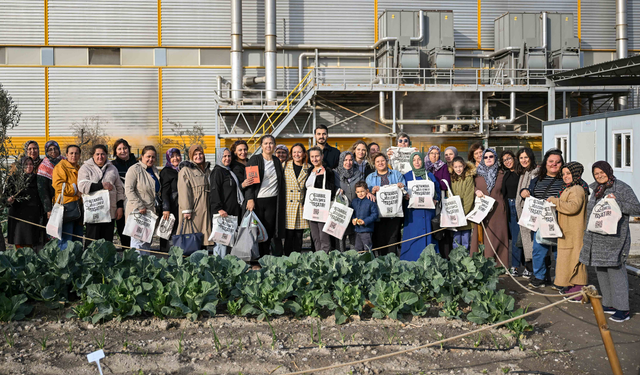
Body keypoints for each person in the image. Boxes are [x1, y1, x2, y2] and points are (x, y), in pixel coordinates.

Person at [580, 161, 640, 322]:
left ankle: (623, 309)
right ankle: (609, 303)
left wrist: (618, 202)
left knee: (616, 272)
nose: (599, 176)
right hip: (597, 238)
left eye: (602, 173)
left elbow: (636, 208)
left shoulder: (621, 187)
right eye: (596, 174)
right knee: (601, 271)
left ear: (609, 171)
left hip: (615, 239)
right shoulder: (597, 190)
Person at [521, 148, 565, 288]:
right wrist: (524, 192)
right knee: (539, 249)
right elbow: (529, 192)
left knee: (560, 252)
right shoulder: (536, 180)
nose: (554, 164)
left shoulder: (566, 180)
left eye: (557, 162)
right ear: (545, 163)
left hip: (560, 220)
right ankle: (540, 276)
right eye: (551, 161)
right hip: (541, 219)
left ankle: (560, 279)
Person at [546, 162, 589, 302]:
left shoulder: (577, 189)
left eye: (568, 173)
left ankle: (578, 292)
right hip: (568, 230)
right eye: (563, 174)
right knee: (568, 260)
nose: (565, 176)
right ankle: (571, 288)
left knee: (575, 260)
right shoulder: (569, 188)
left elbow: (573, 207)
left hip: (575, 231)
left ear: (576, 174)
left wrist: (555, 201)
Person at [245, 135, 286, 258]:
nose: (268, 146)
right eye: (266, 143)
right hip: (258, 201)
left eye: (271, 143)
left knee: (269, 231)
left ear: (274, 145)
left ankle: (269, 259)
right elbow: (249, 182)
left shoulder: (277, 161)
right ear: (261, 145)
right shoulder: (255, 160)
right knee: (257, 231)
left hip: (272, 201)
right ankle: (259, 258)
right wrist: (250, 198)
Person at [78, 144, 125, 247]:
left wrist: (120, 206)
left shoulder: (112, 169)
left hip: (109, 212)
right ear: (93, 155)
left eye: (103, 154)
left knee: (107, 242)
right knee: (92, 241)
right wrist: (101, 185)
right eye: (97, 154)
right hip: (93, 210)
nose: (100, 157)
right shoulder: (85, 168)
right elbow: (82, 186)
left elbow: (119, 188)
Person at [470, 148, 509, 266]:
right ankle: (481, 262)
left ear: (495, 158)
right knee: (482, 235)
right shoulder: (476, 173)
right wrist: (476, 191)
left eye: (491, 156)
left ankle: (499, 264)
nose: (488, 159)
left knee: (498, 235)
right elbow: (471, 186)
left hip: (497, 209)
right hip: (482, 208)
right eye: (485, 157)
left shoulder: (501, 173)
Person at [401, 152, 441, 261]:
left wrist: (436, 199)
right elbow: (402, 192)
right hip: (413, 215)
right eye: (414, 160)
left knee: (428, 238)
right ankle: (410, 261)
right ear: (411, 162)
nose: (417, 162)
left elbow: (437, 191)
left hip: (428, 213)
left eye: (419, 159)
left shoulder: (429, 175)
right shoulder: (406, 176)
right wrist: (405, 196)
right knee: (413, 238)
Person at [366, 153, 406, 256]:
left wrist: (401, 187)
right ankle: (382, 263)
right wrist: (372, 192)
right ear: (374, 164)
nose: (380, 163)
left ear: (386, 162)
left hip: (394, 214)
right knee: (380, 239)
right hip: (378, 214)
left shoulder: (397, 175)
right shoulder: (370, 178)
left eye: (382, 161)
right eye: (377, 161)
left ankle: (392, 262)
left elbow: (405, 193)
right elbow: (367, 195)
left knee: (393, 238)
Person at [124, 145, 160, 253]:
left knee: (146, 243)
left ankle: (145, 267)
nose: (150, 159)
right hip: (138, 212)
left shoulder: (155, 170)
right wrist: (140, 205)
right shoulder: (134, 169)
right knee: (137, 243)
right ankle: (136, 268)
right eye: (148, 156)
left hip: (150, 213)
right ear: (142, 156)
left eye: (153, 157)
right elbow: (129, 190)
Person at [178, 145, 213, 250]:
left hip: (206, 209)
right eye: (195, 154)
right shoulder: (186, 170)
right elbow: (184, 191)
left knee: (203, 238)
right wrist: (186, 210)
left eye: (200, 154)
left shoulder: (207, 170)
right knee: (192, 239)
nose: (198, 156)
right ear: (191, 156)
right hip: (193, 211)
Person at [209, 148, 244, 256]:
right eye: (224, 156)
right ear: (219, 157)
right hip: (222, 213)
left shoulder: (228, 170)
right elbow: (215, 191)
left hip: (231, 212)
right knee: (221, 243)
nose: (227, 158)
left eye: (229, 156)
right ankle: (218, 266)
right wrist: (218, 208)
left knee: (228, 242)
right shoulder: (217, 171)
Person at [6, 157, 44, 249]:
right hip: (18, 217)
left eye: (31, 164)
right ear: (21, 166)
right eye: (26, 164)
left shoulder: (37, 179)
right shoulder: (13, 179)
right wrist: (9, 200)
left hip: (32, 216)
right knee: (18, 242)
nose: (29, 166)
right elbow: (6, 196)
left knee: (31, 242)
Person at [304, 146, 337, 252]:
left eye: (317, 156)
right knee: (315, 236)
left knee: (324, 236)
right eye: (312, 157)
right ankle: (318, 258)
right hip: (311, 207)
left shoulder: (328, 171)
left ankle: (325, 259)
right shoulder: (309, 170)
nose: (315, 159)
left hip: (323, 208)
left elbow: (331, 189)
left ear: (322, 156)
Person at [52, 145, 84, 250]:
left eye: (76, 153)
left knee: (77, 240)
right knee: (66, 241)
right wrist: (76, 190)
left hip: (78, 209)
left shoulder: (80, 168)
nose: (74, 155)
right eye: (71, 153)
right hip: (66, 209)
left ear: (79, 155)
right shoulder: (60, 167)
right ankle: (65, 264)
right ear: (66, 155)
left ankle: (77, 264)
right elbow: (59, 186)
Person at [283, 143, 311, 255]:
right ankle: (287, 258)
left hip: (301, 206)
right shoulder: (285, 165)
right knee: (288, 235)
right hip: (288, 206)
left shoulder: (309, 168)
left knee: (299, 235)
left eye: (299, 152)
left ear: (304, 154)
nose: (296, 154)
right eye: (294, 152)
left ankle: (297, 258)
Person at [425, 145, 453, 258]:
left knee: (439, 226)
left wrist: (432, 183)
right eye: (432, 153)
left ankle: (443, 255)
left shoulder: (443, 167)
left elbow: (445, 184)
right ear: (428, 154)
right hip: (427, 200)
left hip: (440, 200)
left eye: (436, 153)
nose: (434, 155)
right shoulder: (425, 167)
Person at [515, 147, 538, 278]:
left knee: (533, 241)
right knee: (525, 240)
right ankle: (531, 268)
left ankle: (536, 271)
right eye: (521, 157)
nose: (524, 160)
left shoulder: (535, 171)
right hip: (523, 211)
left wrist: (527, 192)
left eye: (526, 157)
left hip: (532, 210)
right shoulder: (523, 173)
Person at [334, 151, 363, 251]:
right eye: (345, 160)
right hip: (340, 212)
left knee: (353, 239)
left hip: (354, 211)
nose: (348, 162)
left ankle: (353, 261)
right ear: (341, 161)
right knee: (340, 238)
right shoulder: (335, 174)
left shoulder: (358, 174)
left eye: (350, 160)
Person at [500, 150, 522, 276]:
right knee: (513, 237)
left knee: (518, 238)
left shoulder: (521, 173)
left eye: (509, 158)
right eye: (504, 160)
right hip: (508, 206)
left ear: (514, 158)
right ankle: (515, 265)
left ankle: (517, 266)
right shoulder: (506, 175)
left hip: (519, 206)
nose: (507, 161)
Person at [112, 139, 138, 248]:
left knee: (136, 230)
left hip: (136, 202)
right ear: (115, 151)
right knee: (123, 228)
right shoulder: (112, 166)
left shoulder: (137, 164)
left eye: (125, 148)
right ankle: (126, 254)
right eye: (119, 149)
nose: (123, 151)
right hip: (120, 202)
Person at [450, 156, 475, 250]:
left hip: (465, 215)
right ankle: (456, 261)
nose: (458, 169)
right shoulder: (452, 178)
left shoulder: (468, 178)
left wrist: (462, 214)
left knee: (465, 241)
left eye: (460, 166)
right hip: (455, 216)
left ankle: (465, 261)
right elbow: (450, 194)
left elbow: (469, 197)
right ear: (452, 167)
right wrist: (454, 214)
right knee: (456, 241)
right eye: (456, 167)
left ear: (464, 166)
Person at [160, 148, 182, 252]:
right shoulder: (166, 171)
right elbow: (164, 191)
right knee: (169, 231)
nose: (175, 158)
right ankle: (167, 254)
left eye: (177, 155)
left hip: (181, 205)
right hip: (171, 205)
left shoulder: (182, 169)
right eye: (172, 156)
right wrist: (166, 208)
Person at [37, 140, 64, 223]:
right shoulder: (44, 167)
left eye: (55, 148)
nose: (53, 151)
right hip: (53, 204)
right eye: (50, 149)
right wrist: (48, 209)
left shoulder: (65, 161)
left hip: (66, 200)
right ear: (46, 151)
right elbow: (43, 191)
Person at [351, 181, 379, 251]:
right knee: (358, 248)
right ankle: (360, 262)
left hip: (367, 230)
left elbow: (375, 214)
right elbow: (352, 213)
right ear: (355, 192)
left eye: (362, 191)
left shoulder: (371, 201)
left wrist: (365, 221)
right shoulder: (354, 202)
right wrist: (353, 219)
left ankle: (369, 261)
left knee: (367, 248)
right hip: (357, 230)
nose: (360, 194)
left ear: (367, 191)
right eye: (358, 192)